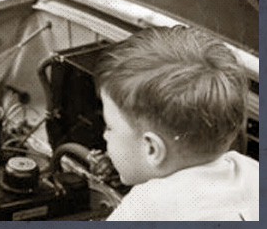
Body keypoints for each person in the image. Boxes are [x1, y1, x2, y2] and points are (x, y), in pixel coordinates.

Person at [95, 26, 259, 221]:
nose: (105, 135)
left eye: (109, 127)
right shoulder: (251, 170)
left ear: (152, 149)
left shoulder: (145, 207)